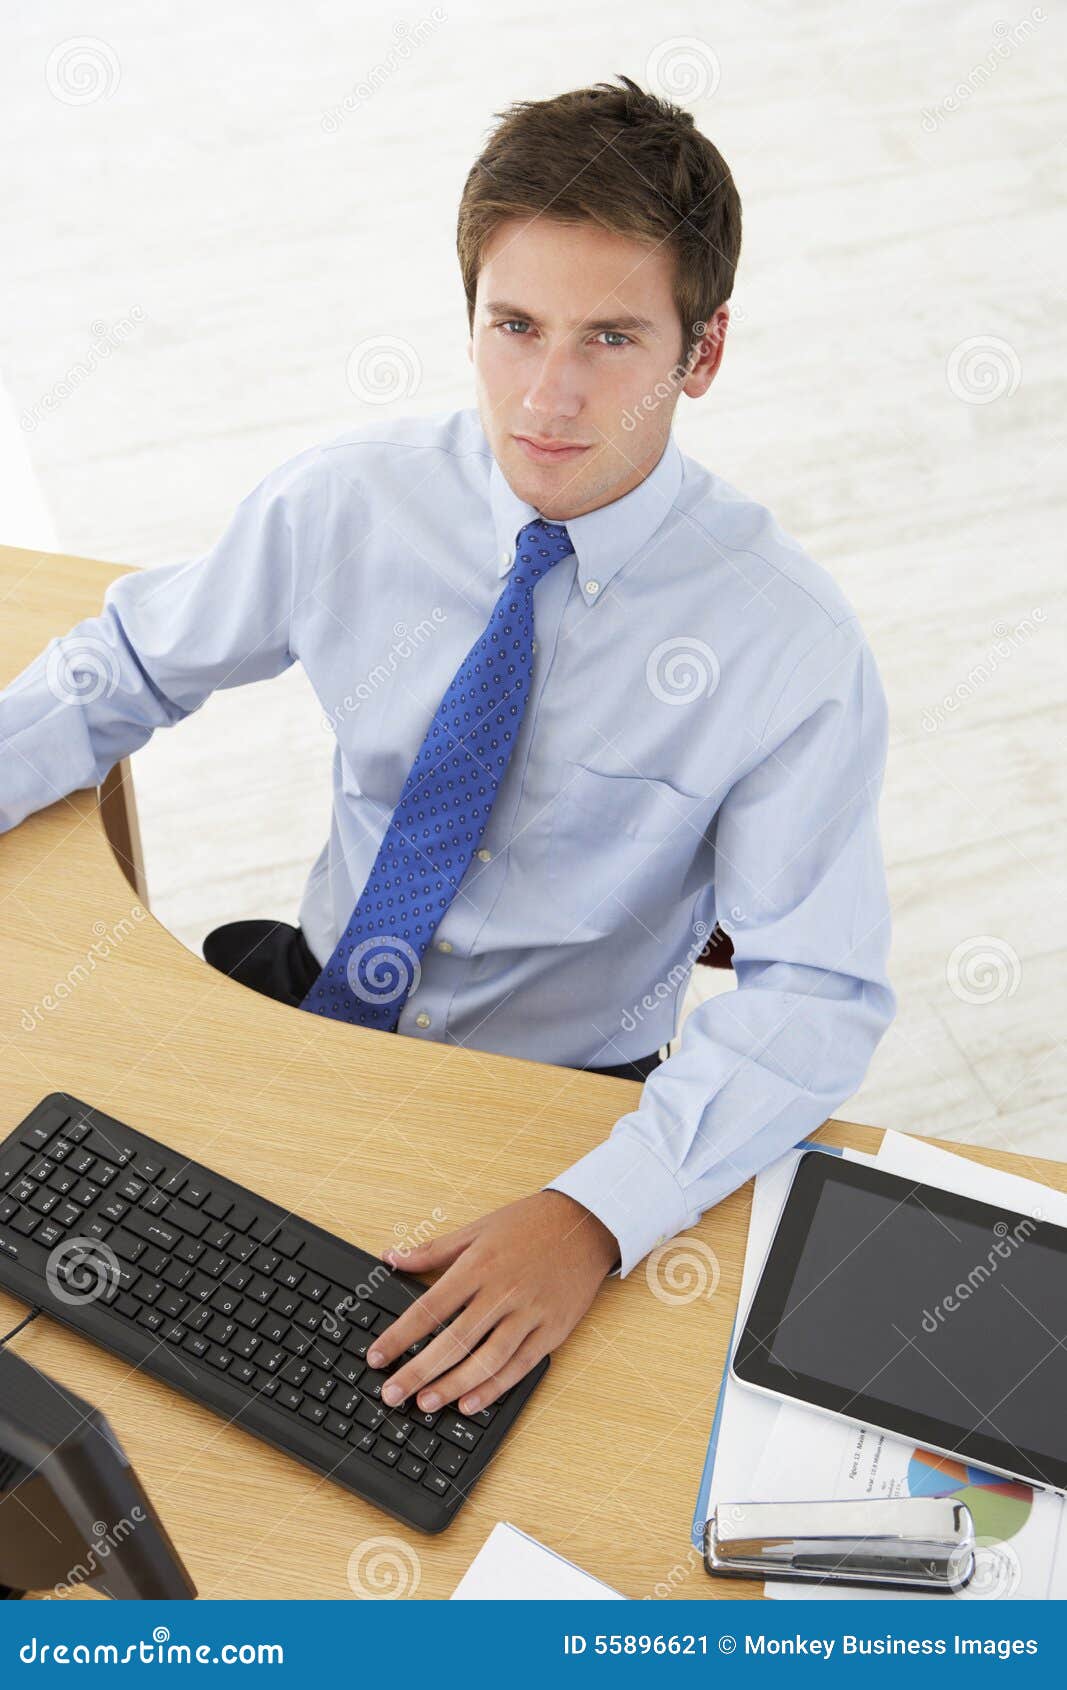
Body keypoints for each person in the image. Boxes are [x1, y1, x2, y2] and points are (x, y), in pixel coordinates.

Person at [0, 75, 895, 1424]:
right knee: (97, 1371)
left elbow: (817, 995)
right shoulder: (355, 499)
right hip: (307, 1010)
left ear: (699, 354)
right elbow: (122, 662)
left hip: (552, 1102)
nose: (548, 393)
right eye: (515, 326)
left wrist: (597, 1214)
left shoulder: (790, 650)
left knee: (429, 1427)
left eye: (611, 338)